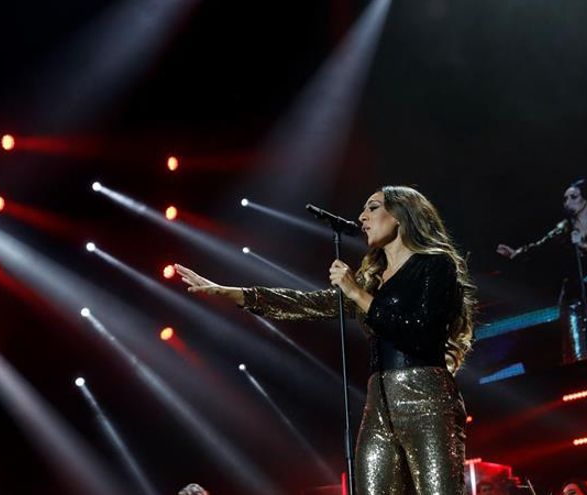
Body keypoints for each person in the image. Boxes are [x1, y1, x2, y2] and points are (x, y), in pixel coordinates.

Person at [176, 186, 476, 495]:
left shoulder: (437, 265)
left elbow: (420, 330)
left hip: (426, 399)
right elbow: (308, 303)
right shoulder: (372, 280)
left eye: (372, 208)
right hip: (378, 406)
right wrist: (232, 293)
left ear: (401, 214)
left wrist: (356, 293)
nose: (362, 217)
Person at [496, 179, 587, 362]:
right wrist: (515, 253)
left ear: (585, 199)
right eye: (565, 199)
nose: (568, 202)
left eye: (573, 197)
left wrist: (583, 244)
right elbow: (540, 246)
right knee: (575, 345)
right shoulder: (564, 228)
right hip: (576, 288)